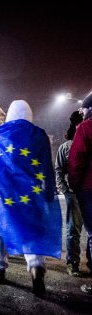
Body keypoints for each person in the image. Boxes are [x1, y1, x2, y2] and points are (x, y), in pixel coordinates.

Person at [0, 100, 62, 297]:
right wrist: (49, 190)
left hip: (4, 193)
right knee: (32, 229)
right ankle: (36, 267)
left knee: (0, 227)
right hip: (30, 193)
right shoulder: (39, 135)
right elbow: (45, 166)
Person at [54, 111, 83, 276]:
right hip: (73, 193)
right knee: (73, 229)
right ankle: (73, 262)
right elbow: (58, 169)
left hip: (83, 192)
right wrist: (64, 189)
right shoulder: (66, 146)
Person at [68, 93, 92, 294]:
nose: (82, 112)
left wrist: (74, 185)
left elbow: (76, 160)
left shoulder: (85, 128)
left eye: (83, 109)